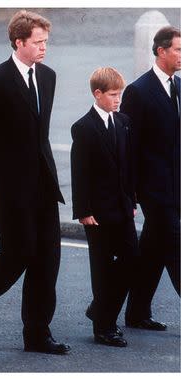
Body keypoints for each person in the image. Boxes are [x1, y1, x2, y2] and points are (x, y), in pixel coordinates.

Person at [0, 10, 70, 355]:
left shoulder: (49, 77)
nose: (43, 48)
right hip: (10, 188)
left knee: (48, 259)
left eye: (46, 42)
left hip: (43, 184)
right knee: (17, 253)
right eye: (38, 42)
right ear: (18, 42)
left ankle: (37, 334)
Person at [70, 67, 137, 347]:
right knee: (101, 268)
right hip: (96, 212)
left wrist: (132, 200)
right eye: (112, 95)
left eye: (120, 93)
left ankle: (100, 309)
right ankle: (104, 327)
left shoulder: (123, 122)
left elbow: (127, 167)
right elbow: (80, 172)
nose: (118, 99)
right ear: (97, 94)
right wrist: (83, 211)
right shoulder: (84, 127)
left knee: (132, 260)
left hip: (122, 208)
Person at [122, 26, 181, 331]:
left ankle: (135, 313)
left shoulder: (179, 87)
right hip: (153, 191)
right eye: (177, 50)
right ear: (161, 51)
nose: (181, 55)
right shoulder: (138, 91)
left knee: (152, 251)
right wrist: (130, 193)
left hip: (176, 187)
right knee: (176, 248)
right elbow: (130, 148)